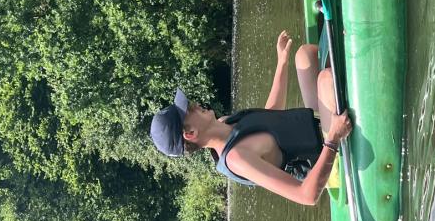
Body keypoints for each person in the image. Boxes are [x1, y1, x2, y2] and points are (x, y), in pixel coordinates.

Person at [150, 31, 352, 206]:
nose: (194, 104)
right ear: (190, 133)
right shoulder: (237, 159)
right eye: (188, 110)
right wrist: (333, 138)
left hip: (318, 125)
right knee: (326, 80)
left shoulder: (225, 122)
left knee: (305, 55)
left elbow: (271, 116)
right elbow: (306, 195)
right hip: (329, 156)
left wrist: (282, 62)